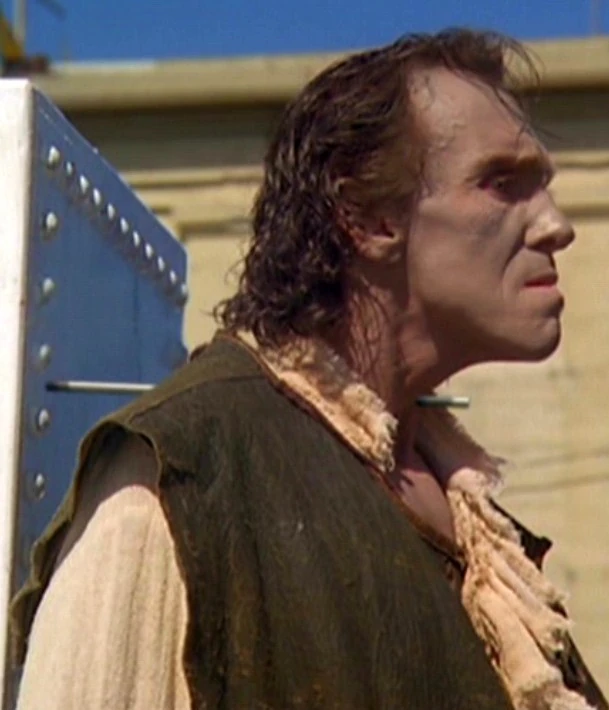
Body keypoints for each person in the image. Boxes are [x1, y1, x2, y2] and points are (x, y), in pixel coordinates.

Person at [10, 28, 608, 710]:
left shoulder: (485, 540)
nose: (555, 225)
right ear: (368, 217)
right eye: (501, 183)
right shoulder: (185, 477)